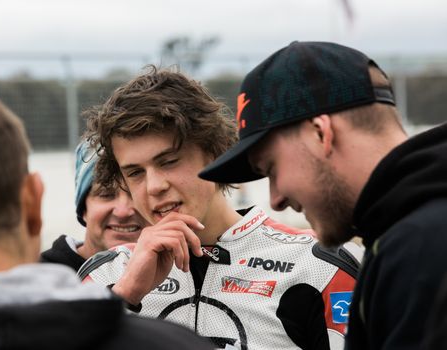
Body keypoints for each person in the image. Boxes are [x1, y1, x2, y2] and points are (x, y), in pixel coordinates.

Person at [0, 68, 214, 350]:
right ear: (34, 202)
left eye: (169, 161)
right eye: (133, 174)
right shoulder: (167, 342)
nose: (127, 208)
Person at [81, 65, 359, 350]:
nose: (154, 186)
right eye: (135, 173)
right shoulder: (103, 276)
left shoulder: (319, 268)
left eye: (169, 161)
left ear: (214, 154)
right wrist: (124, 296)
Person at [199, 41, 447, 349]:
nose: (275, 198)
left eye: (272, 169)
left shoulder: (422, 246)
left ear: (321, 134)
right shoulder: (403, 232)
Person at [40, 140, 147, 271]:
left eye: (136, 194)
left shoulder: (178, 271)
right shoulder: (37, 280)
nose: (123, 211)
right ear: (83, 208)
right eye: (106, 195)